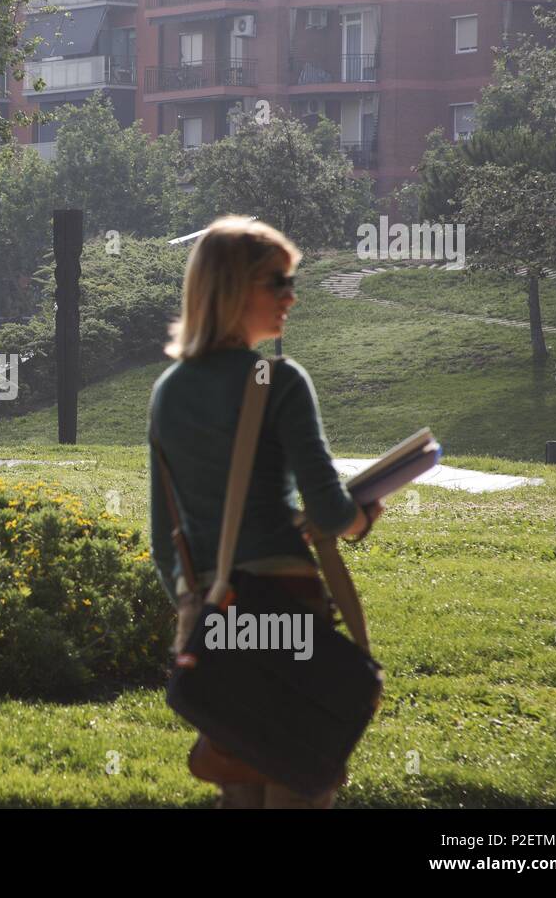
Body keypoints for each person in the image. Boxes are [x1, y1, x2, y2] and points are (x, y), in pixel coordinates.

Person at [149, 216, 384, 809]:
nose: (290, 296)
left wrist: (196, 608)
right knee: (300, 773)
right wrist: (363, 517)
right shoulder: (280, 380)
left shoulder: (167, 391)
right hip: (288, 604)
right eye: (275, 282)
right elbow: (330, 513)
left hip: (218, 615)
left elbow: (162, 537)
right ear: (232, 289)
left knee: (240, 780)